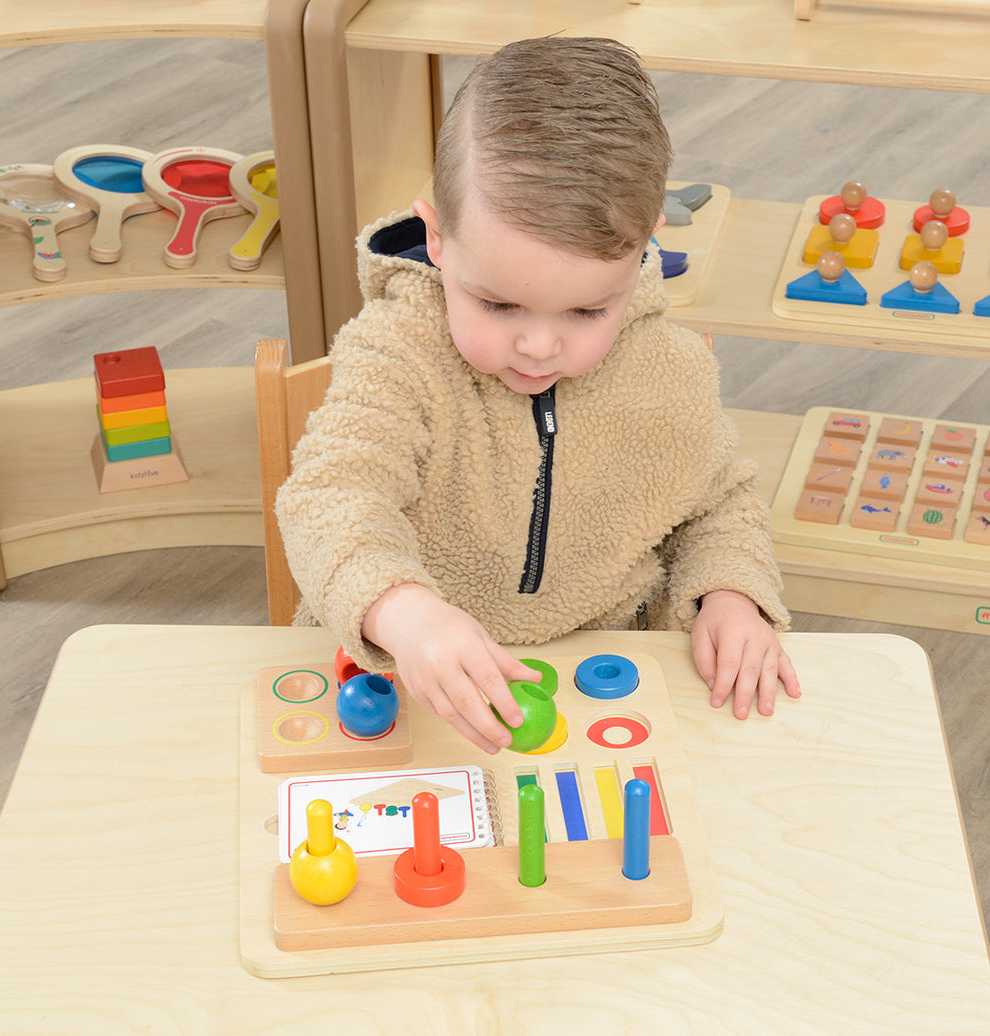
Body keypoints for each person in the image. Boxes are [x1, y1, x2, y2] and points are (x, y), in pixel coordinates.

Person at [276, 36, 799, 754]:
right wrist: (404, 614)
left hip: (596, 702)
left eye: (586, 312)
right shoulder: (394, 353)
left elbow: (719, 503)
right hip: (400, 688)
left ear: (643, 248)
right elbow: (330, 496)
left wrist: (731, 595)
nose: (540, 347)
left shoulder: (668, 369)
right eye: (497, 305)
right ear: (436, 238)